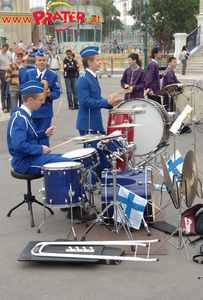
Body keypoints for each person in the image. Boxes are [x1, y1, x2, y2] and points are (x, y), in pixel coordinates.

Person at [7, 80, 95, 221]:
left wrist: (44, 133)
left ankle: (69, 201)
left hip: (29, 158)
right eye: (40, 100)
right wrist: (39, 148)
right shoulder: (19, 118)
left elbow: (30, 137)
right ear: (31, 100)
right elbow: (19, 145)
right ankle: (76, 209)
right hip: (24, 162)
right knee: (70, 164)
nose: (42, 103)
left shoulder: (24, 115)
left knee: (67, 159)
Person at [76, 46, 123, 184]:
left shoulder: (92, 77)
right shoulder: (83, 79)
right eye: (97, 60)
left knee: (102, 155)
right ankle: (87, 188)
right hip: (88, 124)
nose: (100, 62)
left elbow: (96, 100)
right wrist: (105, 101)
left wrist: (110, 104)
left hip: (95, 122)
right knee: (89, 159)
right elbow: (85, 102)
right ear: (89, 62)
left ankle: (105, 184)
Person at [22, 49, 60, 146]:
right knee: (32, 137)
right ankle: (35, 159)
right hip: (32, 112)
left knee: (44, 138)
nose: (42, 62)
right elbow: (21, 89)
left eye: (44, 60)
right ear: (36, 61)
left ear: (47, 61)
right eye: (40, 60)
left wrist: (49, 94)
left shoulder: (52, 75)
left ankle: (44, 159)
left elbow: (57, 93)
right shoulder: (29, 74)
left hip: (45, 112)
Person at [5, 49, 24, 114]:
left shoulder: (24, 66)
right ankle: (12, 123)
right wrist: (16, 82)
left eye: (21, 56)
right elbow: (6, 78)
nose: (19, 58)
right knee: (14, 109)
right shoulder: (11, 66)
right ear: (15, 56)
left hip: (22, 90)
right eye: (18, 56)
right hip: (14, 89)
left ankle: (20, 123)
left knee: (22, 109)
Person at [0, 43, 12, 112]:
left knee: (9, 90)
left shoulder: (9, 53)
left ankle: (9, 106)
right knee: (3, 90)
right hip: (2, 71)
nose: (5, 51)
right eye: (4, 50)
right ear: (2, 48)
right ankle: (3, 107)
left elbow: (11, 61)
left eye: (6, 50)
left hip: (8, 71)